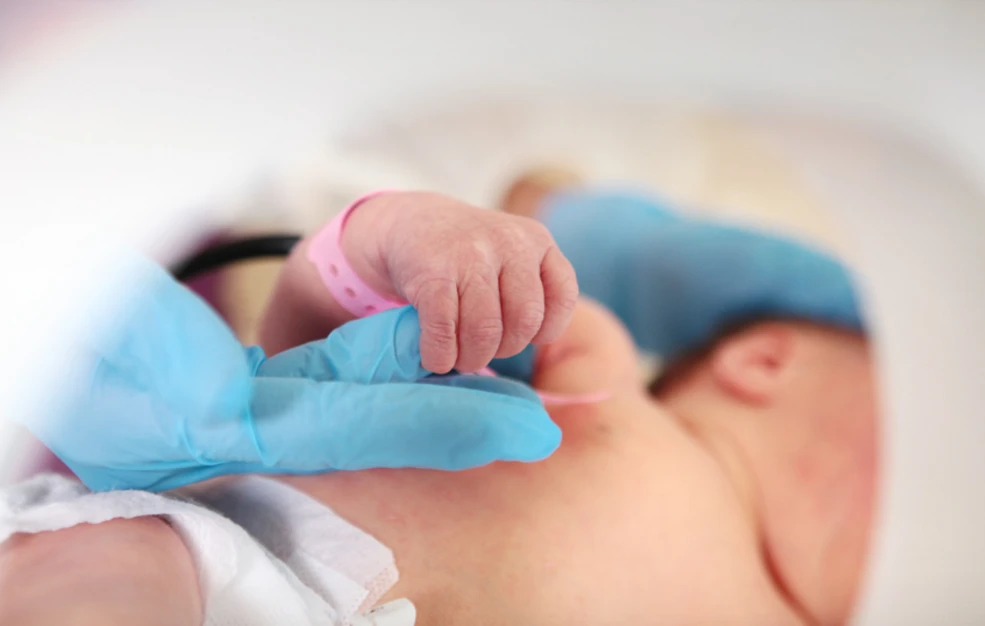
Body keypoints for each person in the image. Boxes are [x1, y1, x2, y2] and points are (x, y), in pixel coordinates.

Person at [0, 189, 876, 625]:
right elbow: (328, 361)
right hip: (222, 569)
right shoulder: (600, 378)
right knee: (115, 573)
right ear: (763, 363)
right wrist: (398, 246)